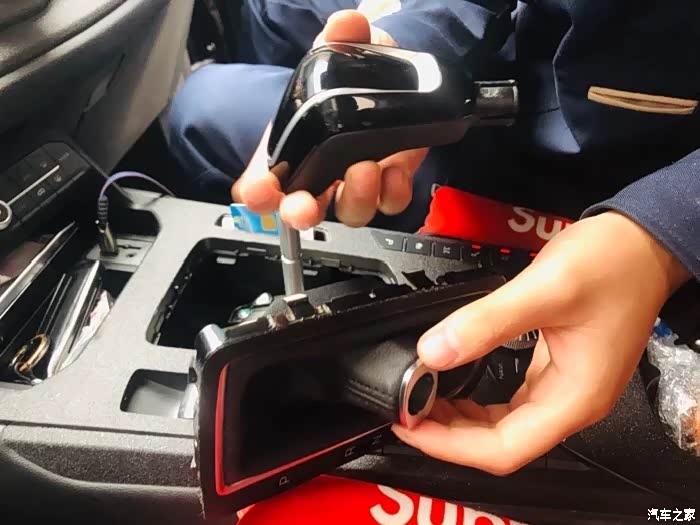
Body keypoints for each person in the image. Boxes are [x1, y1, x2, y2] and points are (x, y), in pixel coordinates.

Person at [168, 1, 699, 475]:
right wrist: (412, 44)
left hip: (632, 179)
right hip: (473, 86)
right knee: (262, 19)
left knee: (200, 113)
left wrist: (660, 237)